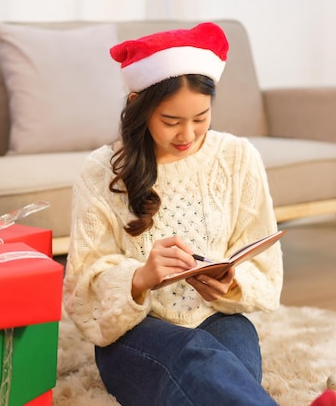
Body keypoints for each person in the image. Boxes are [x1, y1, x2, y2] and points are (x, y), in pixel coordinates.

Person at [63, 22, 282, 405]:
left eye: (201, 118)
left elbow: (266, 271)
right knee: (199, 361)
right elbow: (82, 288)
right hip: (137, 333)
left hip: (219, 318)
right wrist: (139, 278)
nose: (188, 135)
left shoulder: (238, 158)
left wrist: (230, 282)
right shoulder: (100, 172)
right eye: (171, 121)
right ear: (137, 106)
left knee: (220, 370)